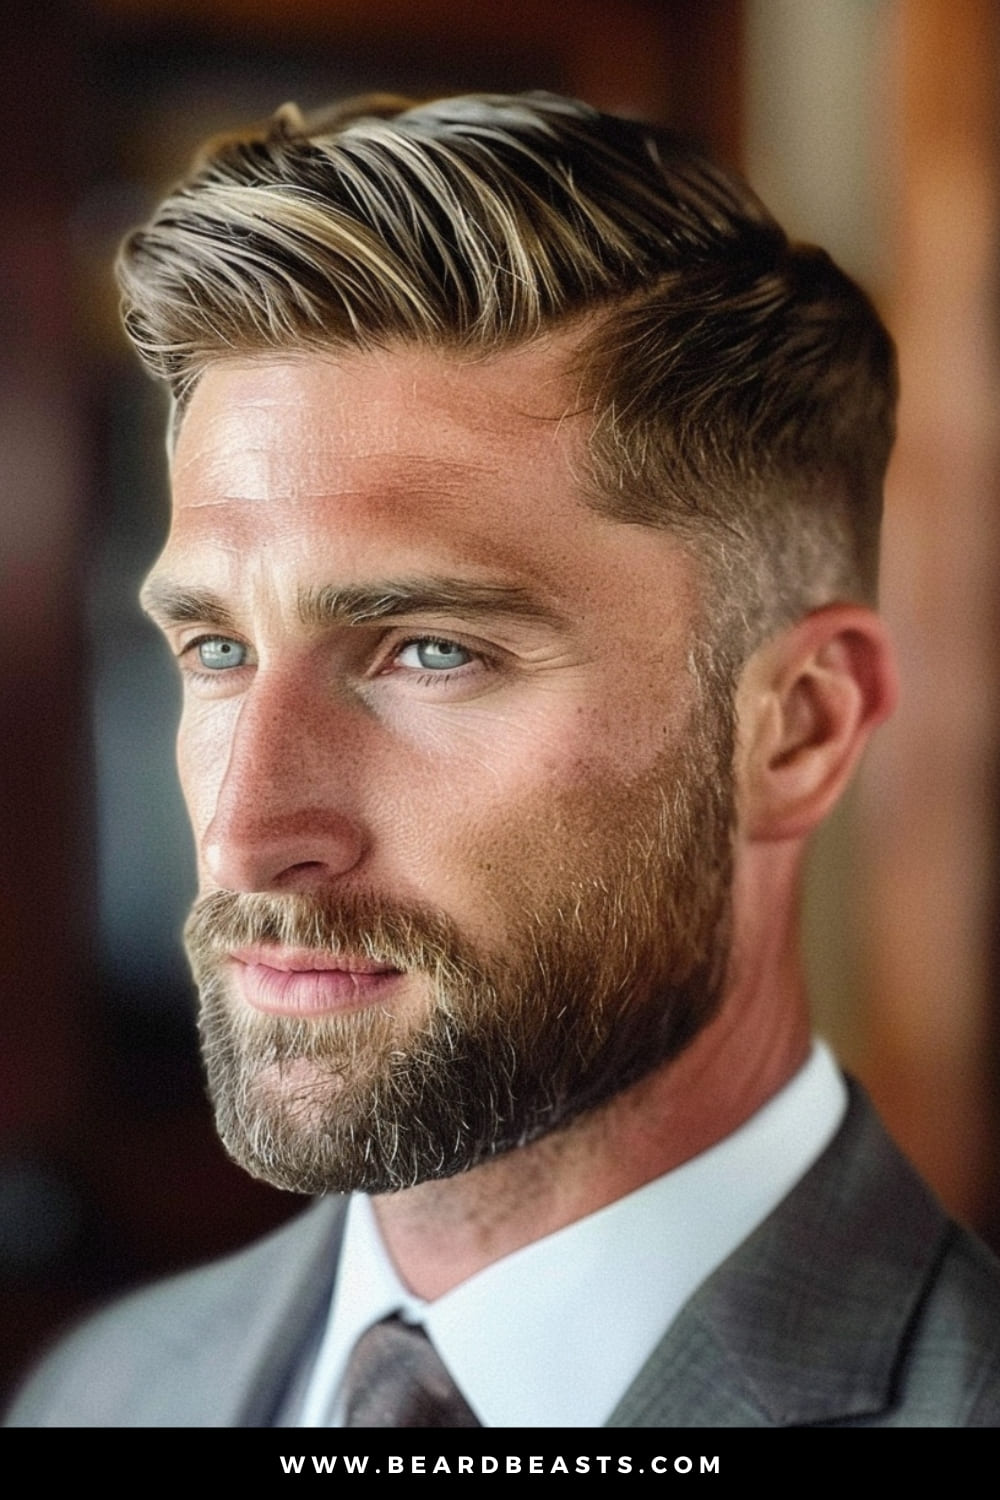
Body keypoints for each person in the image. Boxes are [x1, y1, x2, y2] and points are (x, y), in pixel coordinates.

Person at [8, 91, 1000, 1429]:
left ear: (799, 727)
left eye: (431, 652)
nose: (245, 835)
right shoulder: (101, 1395)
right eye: (218, 648)